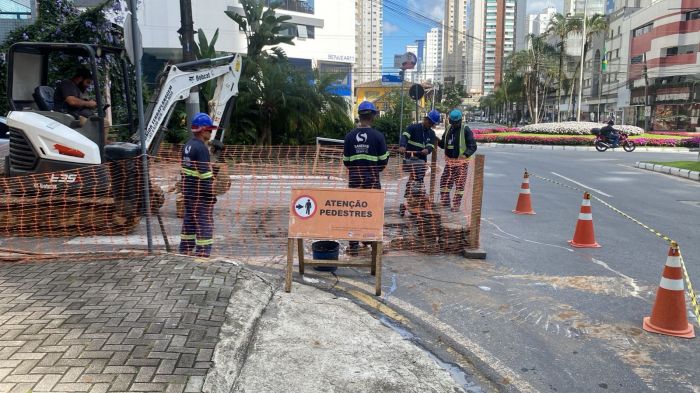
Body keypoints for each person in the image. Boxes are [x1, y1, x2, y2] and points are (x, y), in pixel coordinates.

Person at [343, 101, 389, 255]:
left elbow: (346, 161)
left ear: (360, 116)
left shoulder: (349, 137)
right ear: (373, 116)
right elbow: (383, 160)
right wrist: (375, 170)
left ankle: (354, 246)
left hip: (355, 181)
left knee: (355, 213)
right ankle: (373, 244)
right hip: (373, 181)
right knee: (372, 213)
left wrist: (357, 170)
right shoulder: (378, 136)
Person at [179, 113, 218, 258]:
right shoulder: (201, 148)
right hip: (200, 194)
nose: (211, 132)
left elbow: (185, 170)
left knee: (189, 221)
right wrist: (210, 195)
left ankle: (185, 249)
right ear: (202, 130)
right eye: (209, 130)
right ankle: (203, 252)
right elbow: (205, 175)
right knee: (204, 222)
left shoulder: (187, 145)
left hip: (189, 192)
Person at [437, 109, 477, 211]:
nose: (454, 125)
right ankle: (445, 203)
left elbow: (472, 146)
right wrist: (437, 141)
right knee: (444, 182)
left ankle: (456, 205)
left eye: (456, 123)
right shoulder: (449, 128)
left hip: (461, 163)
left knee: (459, 184)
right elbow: (443, 144)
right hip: (450, 162)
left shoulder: (465, 129)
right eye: (452, 123)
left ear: (460, 121)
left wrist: (465, 154)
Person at [398, 109, 440, 199]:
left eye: (432, 124)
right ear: (426, 119)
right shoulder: (413, 128)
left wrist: (427, 150)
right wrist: (402, 146)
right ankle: (412, 192)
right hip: (410, 156)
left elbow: (431, 145)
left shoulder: (431, 133)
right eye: (429, 123)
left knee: (419, 176)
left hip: (421, 158)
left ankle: (414, 193)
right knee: (416, 175)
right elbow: (404, 136)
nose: (430, 125)